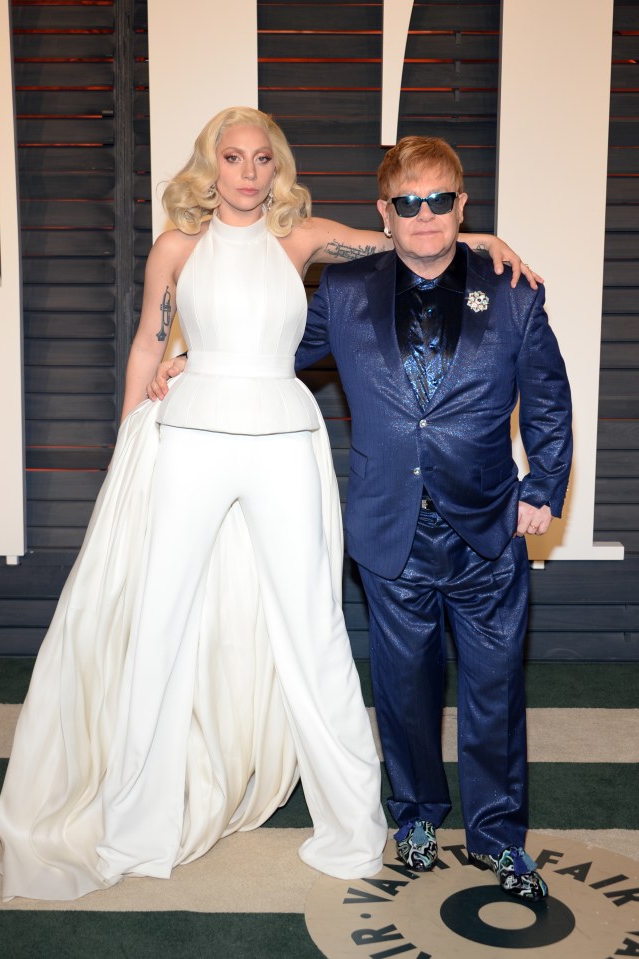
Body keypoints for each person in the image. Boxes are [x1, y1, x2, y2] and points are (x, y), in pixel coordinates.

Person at [0, 107, 540, 902]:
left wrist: (480, 241)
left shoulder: (303, 237)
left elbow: (406, 239)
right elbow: (151, 339)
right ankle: (138, 819)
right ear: (208, 166)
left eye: (260, 159)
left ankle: (354, 826)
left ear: (276, 167)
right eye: (231, 157)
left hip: (284, 437)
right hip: (188, 439)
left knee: (312, 625)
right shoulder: (175, 247)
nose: (247, 172)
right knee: (161, 619)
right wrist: (131, 442)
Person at [156, 134, 573, 903]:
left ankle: (497, 836)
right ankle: (413, 815)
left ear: (460, 205)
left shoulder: (512, 291)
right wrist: (194, 361)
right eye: (407, 202)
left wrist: (541, 488)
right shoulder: (344, 293)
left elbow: (547, 399)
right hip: (390, 535)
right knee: (404, 690)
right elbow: (272, 352)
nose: (424, 215)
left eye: (439, 200)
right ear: (384, 212)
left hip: (485, 531)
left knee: (493, 692)